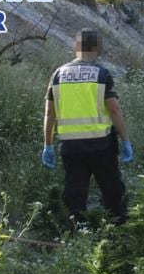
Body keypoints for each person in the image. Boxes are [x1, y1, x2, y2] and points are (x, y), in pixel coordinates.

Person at [41, 29, 134, 223]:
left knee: (75, 192)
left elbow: (50, 113)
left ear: (76, 46)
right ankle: (117, 230)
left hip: (71, 146)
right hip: (101, 145)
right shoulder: (101, 74)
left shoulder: (58, 74)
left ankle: (77, 231)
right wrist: (125, 140)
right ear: (98, 48)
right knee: (111, 189)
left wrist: (47, 144)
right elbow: (114, 110)